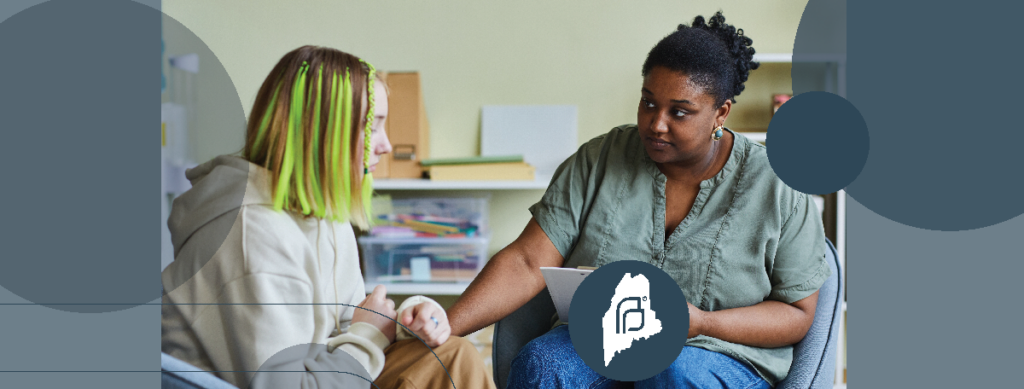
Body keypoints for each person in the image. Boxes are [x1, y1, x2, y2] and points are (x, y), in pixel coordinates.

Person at [447, 12, 831, 389]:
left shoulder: (779, 185)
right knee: (543, 364)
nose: (656, 123)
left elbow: (797, 312)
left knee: (672, 372)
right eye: (648, 102)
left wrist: (700, 322)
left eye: (679, 112)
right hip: (601, 339)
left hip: (718, 352)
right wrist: (442, 328)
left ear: (721, 113)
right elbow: (527, 260)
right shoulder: (598, 159)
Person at [161, 46, 494, 389]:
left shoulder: (322, 215)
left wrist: (409, 319)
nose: (387, 145)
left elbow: (349, 320)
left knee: (454, 355)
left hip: (321, 371)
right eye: (373, 127)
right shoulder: (252, 234)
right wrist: (369, 334)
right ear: (323, 133)